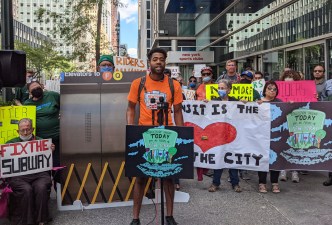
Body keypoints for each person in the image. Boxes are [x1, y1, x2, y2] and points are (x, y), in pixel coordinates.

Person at [126, 48, 183, 225]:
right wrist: (131, 132)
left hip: (167, 135)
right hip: (145, 135)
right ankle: (135, 218)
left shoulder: (174, 85)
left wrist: (181, 137)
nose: (158, 62)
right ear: (149, 62)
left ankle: (170, 216)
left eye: (161, 59)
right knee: (141, 178)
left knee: (168, 178)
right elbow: (130, 108)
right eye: (155, 59)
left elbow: (178, 111)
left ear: (165, 62)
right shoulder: (138, 83)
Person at [5, 118, 54, 225]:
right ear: (18, 131)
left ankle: (42, 219)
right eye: (22, 130)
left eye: (28, 129)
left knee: (41, 187)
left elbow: (47, 158)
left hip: (39, 175)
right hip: (18, 176)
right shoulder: (9, 144)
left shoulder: (42, 142)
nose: (25, 132)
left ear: (32, 129)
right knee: (26, 190)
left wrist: (50, 149)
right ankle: (27, 221)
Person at [23, 80, 61, 186]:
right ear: (29, 92)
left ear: (42, 86)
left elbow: (66, 105)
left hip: (57, 137)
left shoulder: (52, 96)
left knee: (58, 166)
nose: (36, 89)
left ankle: (60, 193)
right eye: (33, 88)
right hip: (40, 142)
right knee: (44, 169)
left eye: (37, 87)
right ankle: (45, 193)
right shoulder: (28, 104)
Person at [207, 79, 241, 193]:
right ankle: (215, 183)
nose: (220, 90)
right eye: (219, 88)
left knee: (232, 159)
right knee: (219, 158)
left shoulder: (235, 101)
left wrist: (245, 103)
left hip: (232, 135)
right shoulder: (213, 101)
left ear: (229, 89)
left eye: (223, 88)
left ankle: (235, 183)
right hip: (219, 135)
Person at [257, 81, 282, 193]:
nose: (272, 91)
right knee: (262, 158)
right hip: (261, 135)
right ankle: (262, 183)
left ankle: (274, 182)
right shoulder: (259, 102)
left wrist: (290, 104)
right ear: (265, 90)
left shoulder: (281, 103)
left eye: (274, 89)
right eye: (269, 88)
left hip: (275, 135)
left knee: (274, 158)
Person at [278, 70, 301, 183]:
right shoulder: (277, 92)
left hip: (297, 122)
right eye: (286, 84)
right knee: (283, 145)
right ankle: (283, 169)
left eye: (291, 83)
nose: (288, 86)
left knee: (296, 144)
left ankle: (294, 171)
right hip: (283, 121)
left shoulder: (301, 92)